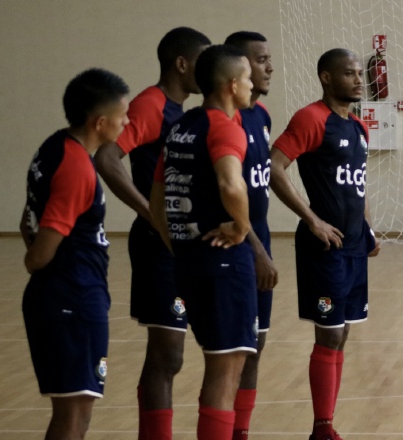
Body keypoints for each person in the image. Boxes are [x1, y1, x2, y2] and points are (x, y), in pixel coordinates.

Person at [94, 27, 210, 440]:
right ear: (181, 64)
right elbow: (106, 157)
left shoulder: (187, 113)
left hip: (184, 248)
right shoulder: (150, 105)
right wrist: (150, 213)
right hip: (157, 247)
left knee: (174, 355)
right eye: (203, 61)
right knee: (168, 353)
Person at [270, 48, 381, 440]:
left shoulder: (359, 127)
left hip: (353, 247)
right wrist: (311, 219)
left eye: (359, 73)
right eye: (348, 73)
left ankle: (327, 421)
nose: (357, 79)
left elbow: (359, 184)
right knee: (330, 332)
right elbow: (275, 167)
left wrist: (368, 228)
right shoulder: (311, 118)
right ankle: (322, 425)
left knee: (344, 331)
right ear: (326, 77)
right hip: (324, 246)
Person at [149, 44, 255, 440]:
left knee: (218, 363)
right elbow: (232, 184)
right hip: (223, 263)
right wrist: (241, 228)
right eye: (246, 78)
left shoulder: (180, 125)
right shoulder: (225, 126)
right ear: (231, 85)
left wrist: (178, 244)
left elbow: (156, 202)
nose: (250, 85)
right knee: (226, 370)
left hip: (188, 260)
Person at [20, 68, 130, 440]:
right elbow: (38, 254)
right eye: (122, 115)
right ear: (100, 122)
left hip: (68, 297)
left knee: (75, 410)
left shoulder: (51, 147)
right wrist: (41, 262)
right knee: (73, 415)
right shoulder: (77, 168)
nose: (127, 121)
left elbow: (26, 220)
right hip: (72, 300)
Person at [223, 31, 277, 440]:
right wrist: (255, 249)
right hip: (237, 248)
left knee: (255, 346)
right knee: (233, 352)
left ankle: (241, 431)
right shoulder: (226, 122)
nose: (269, 68)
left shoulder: (261, 117)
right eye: (260, 60)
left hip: (260, 240)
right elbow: (227, 197)